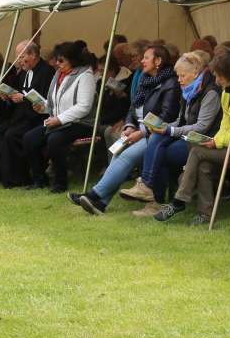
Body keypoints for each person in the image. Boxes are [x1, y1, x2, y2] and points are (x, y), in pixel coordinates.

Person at [154, 50, 230, 224]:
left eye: (218, 75)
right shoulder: (226, 92)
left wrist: (217, 141)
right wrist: (215, 141)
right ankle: (205, 214)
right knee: (204, 166)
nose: (215, 80)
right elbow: (225, 124)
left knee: (196, 153)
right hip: (228, 144)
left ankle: (179, 201)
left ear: (228, 74)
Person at [70, 44, 182, 214]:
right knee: (118, 153)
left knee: (126, 155)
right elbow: (133, 108)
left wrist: (141, 132)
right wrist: (129, 125)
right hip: (140, 131)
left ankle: (95, 195)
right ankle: (100, 202)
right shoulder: (146, 80)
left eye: (146, 58)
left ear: (158, 61)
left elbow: (167, 116)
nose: (142, 61)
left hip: (157, 135)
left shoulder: (170, 83)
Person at [128, 52, 219, 216]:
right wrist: (165, 126)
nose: (179, 80)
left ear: (195, 73)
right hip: (187, 138)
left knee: (161, 152)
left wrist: (170, 130)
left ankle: (153, 197)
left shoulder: (210, 93)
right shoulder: (188, 90)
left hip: (203, 142)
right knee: (157, 138)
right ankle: (148, 190)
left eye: (182, 75)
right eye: (178, 76)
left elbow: (202, 127)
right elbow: (180, 120)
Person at [8, 40, 97, 193]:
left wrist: (59, 119)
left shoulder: (85, 75)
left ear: (73, 59)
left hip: (81, 123)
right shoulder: (59, 74)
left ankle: (60, 182)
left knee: (54, 139)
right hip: (59, 121)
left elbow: (84, 106)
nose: (57, 63)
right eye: (57, 59)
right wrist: (42, 107)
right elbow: (52, 102)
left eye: (61, 60)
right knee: (29, 137)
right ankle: (39, 179)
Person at [0, 40, 54, 190]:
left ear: (33, 55)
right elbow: (20, 94)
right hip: (22, 116)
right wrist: (9, 96)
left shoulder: (47, 72)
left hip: (38, 118)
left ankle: (15, 179)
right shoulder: (24, 73)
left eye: (21, 57)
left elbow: (46, 101)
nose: (19, 62)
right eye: (18, 58)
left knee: (10, 135)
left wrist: (23, 98)